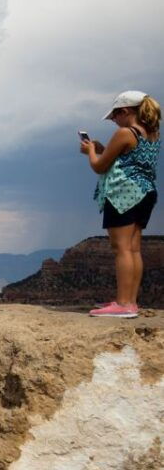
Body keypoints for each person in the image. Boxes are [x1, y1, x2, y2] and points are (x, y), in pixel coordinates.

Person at [83, 91, 160, 318]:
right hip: (145, 192)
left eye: (114, 116)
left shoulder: (124, 132)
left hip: (123, 195)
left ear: (125, 111)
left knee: (121, 249)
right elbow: (127, 159)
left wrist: (90, 152)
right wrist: (100, 148)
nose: (113, 121)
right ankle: (131, 302)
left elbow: (100, 167)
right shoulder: (152, 133)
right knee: (134, 248)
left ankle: (123, 303)